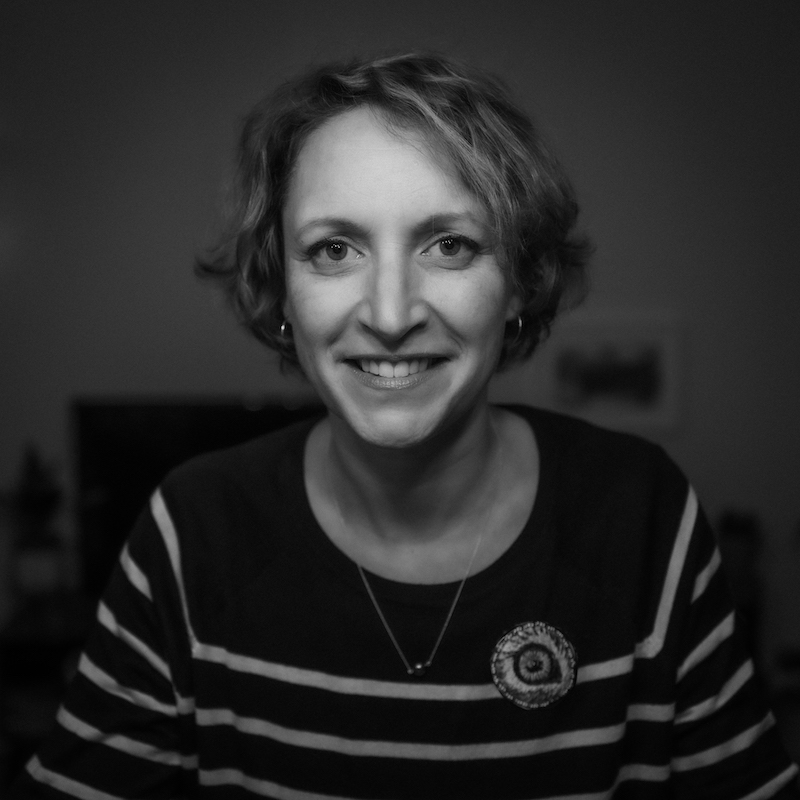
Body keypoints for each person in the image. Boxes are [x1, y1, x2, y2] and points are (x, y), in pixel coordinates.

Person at [12, 52, 799, 799]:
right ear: (280, 288)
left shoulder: (640, 514)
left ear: (520, 281)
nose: (390, 315)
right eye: (334, 249)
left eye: (450, 245)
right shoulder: (193, 531)